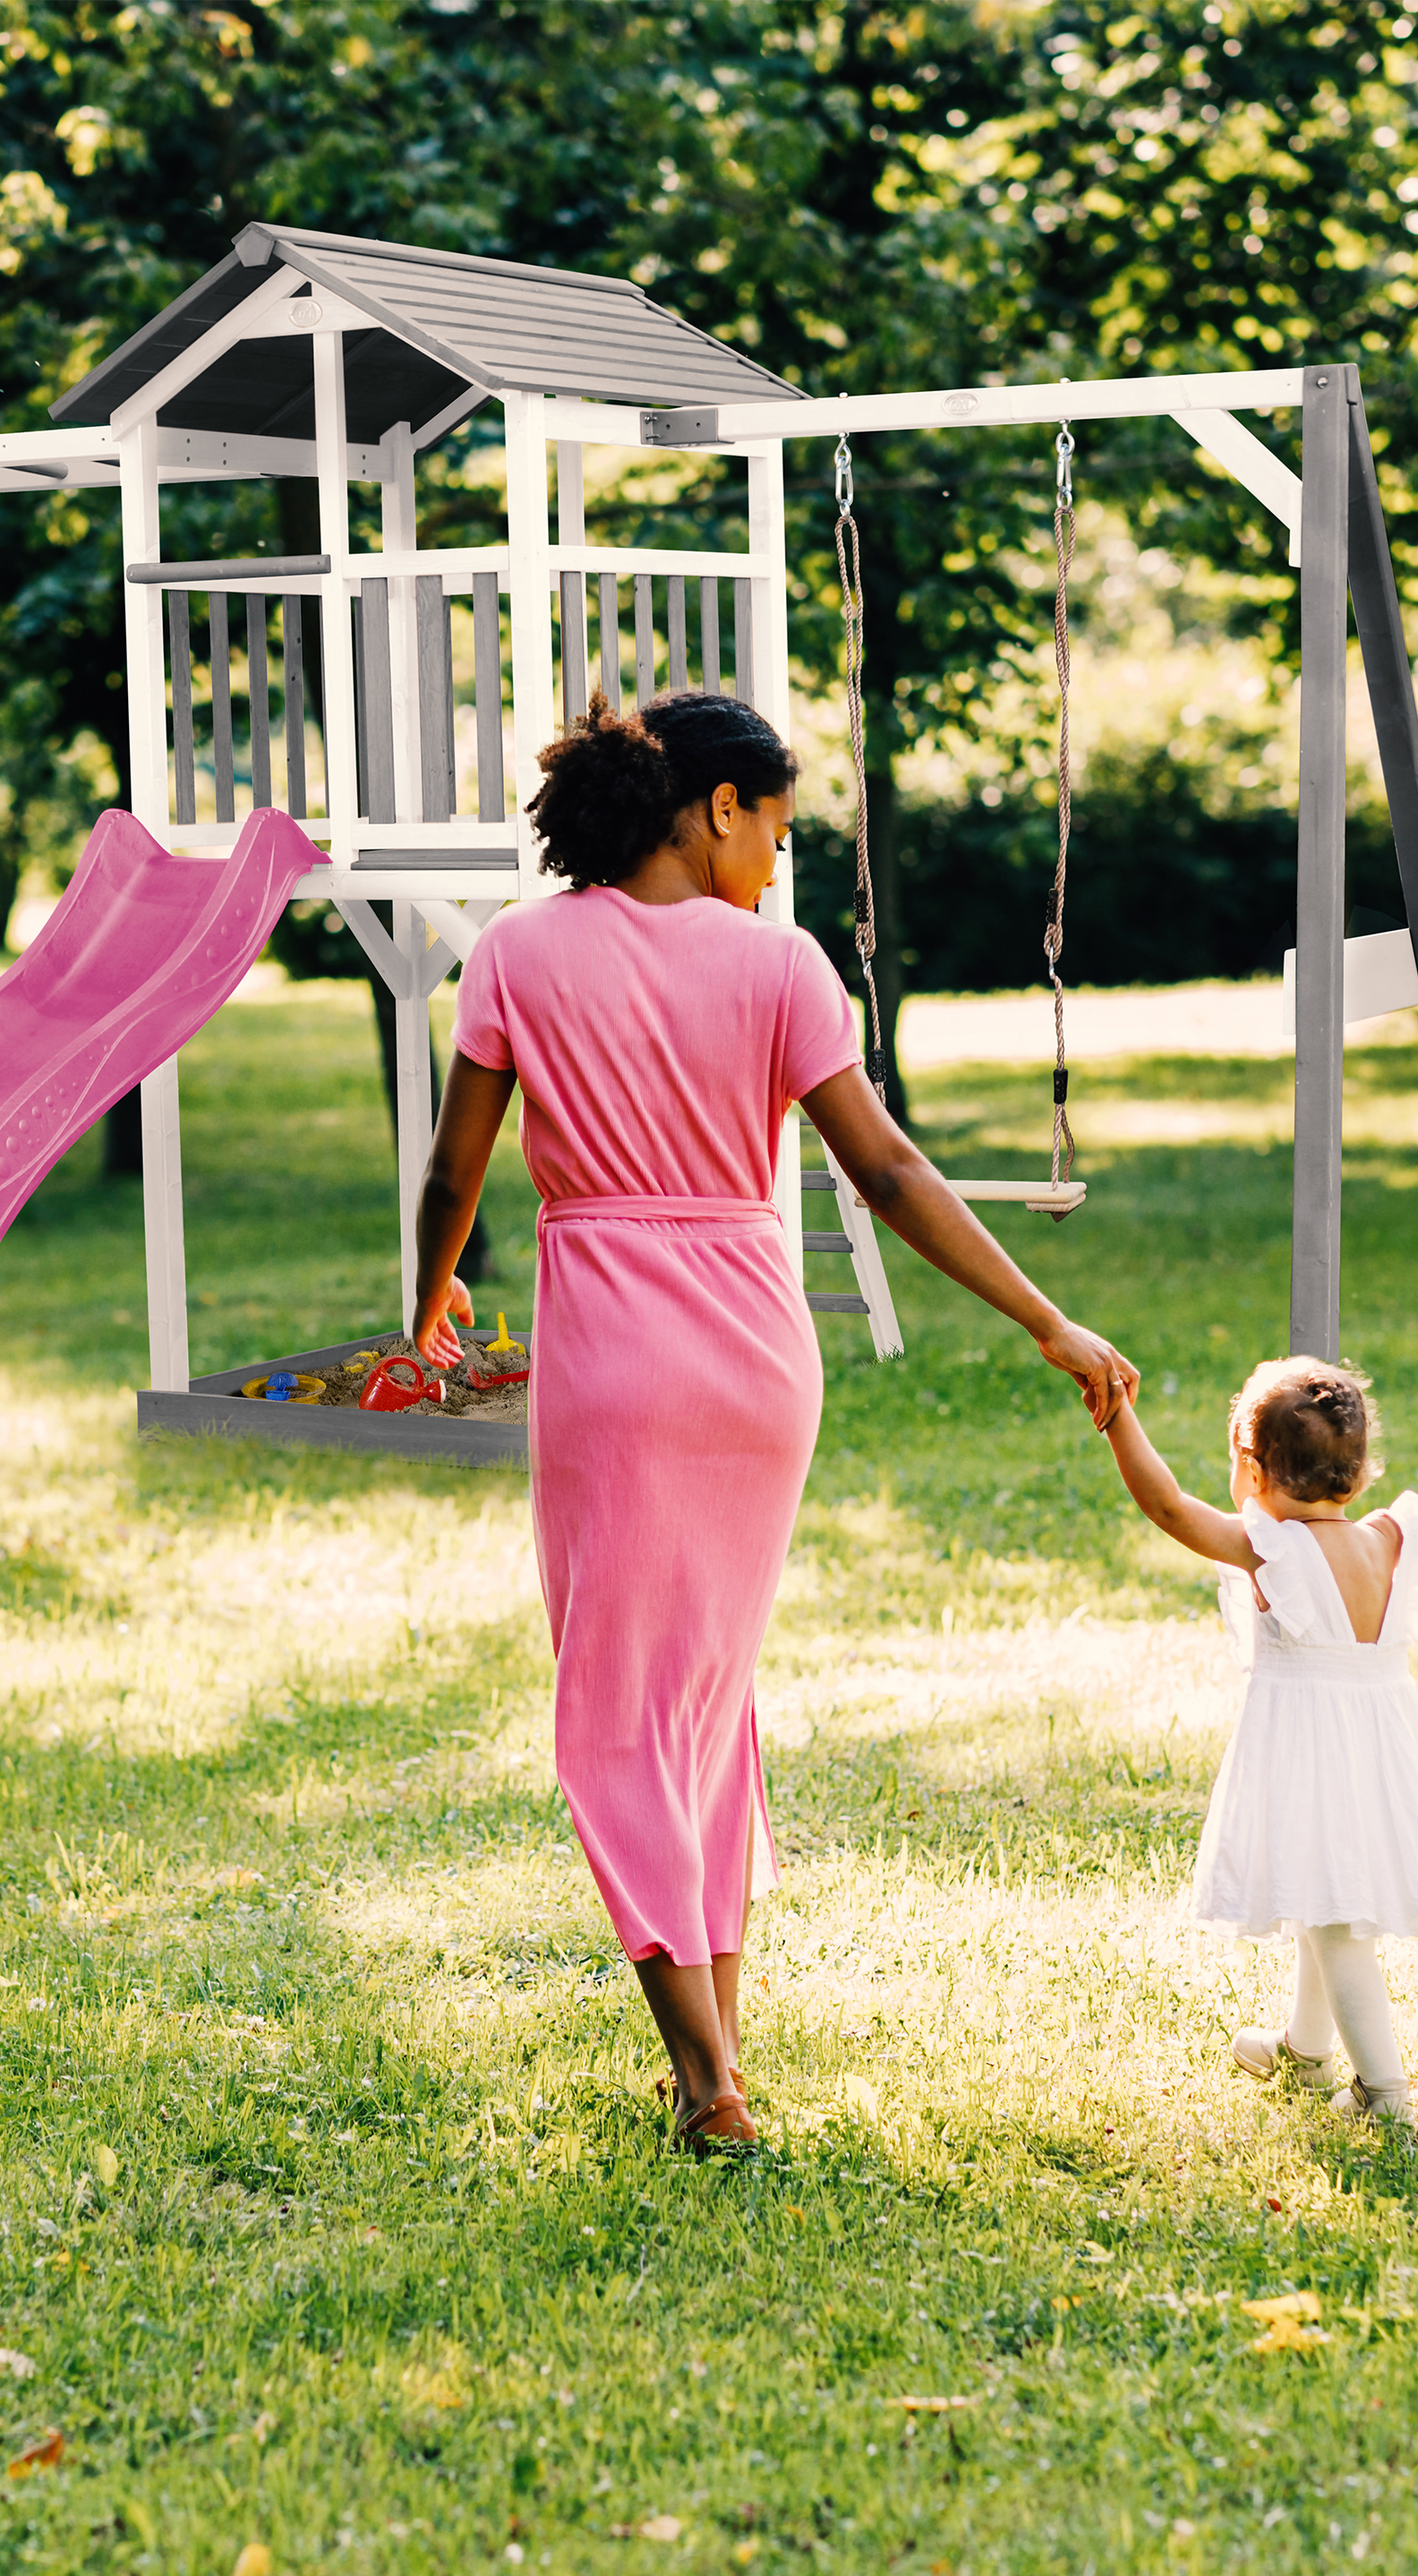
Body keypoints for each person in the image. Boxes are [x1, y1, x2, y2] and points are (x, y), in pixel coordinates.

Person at [408, 692, 1137, 2154]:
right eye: (777, 830)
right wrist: (1044, 1317)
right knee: (703, 1701)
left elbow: (455, 1172)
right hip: (754, 1358)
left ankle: (704, 2079)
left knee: (619, 1713)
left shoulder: (517, 954)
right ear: (715, 807)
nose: (777, 863)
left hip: (612, 1356)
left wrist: (424, 1305)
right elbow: (889, 1172)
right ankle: (718, 2053)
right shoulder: (782, 968)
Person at [1097, 1353, 1418, 2120]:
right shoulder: (1391, 1538)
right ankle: (1305, 2051)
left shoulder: (1272, 1550)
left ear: (1253, 1471)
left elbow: (1167, 1506)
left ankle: (1384, 2093)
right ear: (1359, 1476)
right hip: (1381, 1753)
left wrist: (1117, 1417)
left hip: (1311, 1756)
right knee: (1318, 1893)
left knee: (1335, 1924)